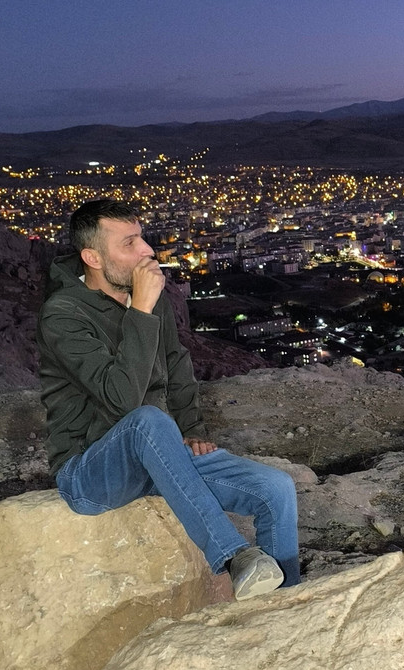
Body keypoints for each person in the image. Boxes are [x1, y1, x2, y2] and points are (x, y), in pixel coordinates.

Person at [37, 199, 299, 600]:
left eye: (141, 238)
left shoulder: (148, 298)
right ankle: (233, 557)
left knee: (275, 488)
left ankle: (287, 604)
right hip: (89, 471)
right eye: (129, 243)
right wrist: (141, 310)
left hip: (158, 456)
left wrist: (192, 428)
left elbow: (176, 365)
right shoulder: (63, 315)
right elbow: (123, 400)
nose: (147, 251)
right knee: (147, 419)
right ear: (93, 258)